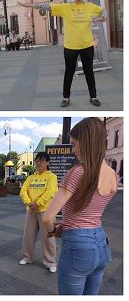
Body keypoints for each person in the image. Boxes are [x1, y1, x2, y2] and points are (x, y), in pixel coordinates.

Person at [43, 118, 118, 295]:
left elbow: (47, 217)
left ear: (87, 142)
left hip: (78, 245)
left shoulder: (77, 172)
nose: (73, 150)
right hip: (101, 242)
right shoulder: (114, 175)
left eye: (74, 144)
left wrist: (54, 231)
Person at [18, 0, 105, 107]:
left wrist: (102, 18)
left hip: (87, 46)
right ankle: (66, 98)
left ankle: (93, 97)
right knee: (69, 72)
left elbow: (103, 12)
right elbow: (46, 6)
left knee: (89, 71)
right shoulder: (65, 7)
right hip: (70, 47)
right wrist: (28, 5)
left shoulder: (90, 7)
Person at [19, 152, 58, 273]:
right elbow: (23, 191)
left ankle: (50, 262)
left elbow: (51, 192)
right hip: (31, 210)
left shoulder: (52, 177)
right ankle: (27, 257)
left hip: (46, 211)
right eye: (37, 160)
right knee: (28, 235)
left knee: (48, 237)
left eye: (42, 160)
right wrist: (29, 203)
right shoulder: (31, 177)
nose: (39, 163)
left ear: (47, 162)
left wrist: (38, 203)